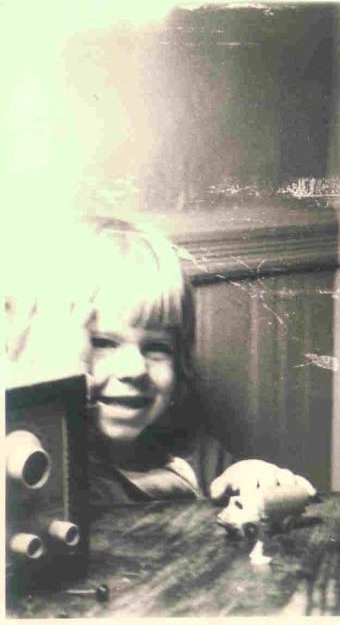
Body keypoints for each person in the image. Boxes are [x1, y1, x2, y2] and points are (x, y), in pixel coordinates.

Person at [8, 216, 312, 507]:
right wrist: (57, 381)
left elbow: (242, 493)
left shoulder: (191, 456)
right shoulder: (33, 466)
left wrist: (251, 477)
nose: (135, 369)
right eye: (101, 343)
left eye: (156, 347)